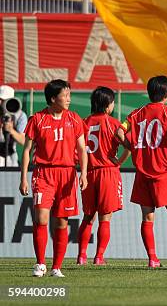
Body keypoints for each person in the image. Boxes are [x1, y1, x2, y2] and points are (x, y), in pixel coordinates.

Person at [116, 76, 167, 268]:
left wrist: (132, 147)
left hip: (143, 172)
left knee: (147, 217)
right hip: (165, 170)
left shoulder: (136, 114)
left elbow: (119, 131)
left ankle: (152, 259)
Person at [19, 79, 88, 278]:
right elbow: (26, 150)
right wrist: (23, 177)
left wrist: (83, 173)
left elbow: (82, 149)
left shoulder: (74, 119)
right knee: (41, 218)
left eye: (69, 95)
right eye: (64, 95)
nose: (68, 99)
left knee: (61, 223)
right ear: (52, 98)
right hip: (43, 173)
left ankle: (56, 267)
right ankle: (40, 263)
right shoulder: (38, 119)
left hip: (67, 174)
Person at [77, 87, 130, 266]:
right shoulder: (114, 123)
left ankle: (81, 256)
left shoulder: (84, 123)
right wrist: (119, 162)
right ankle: (99, 257)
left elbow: (77, 149)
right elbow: (129, 146)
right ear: (108, 105)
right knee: (105, 218)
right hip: (108, 172)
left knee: (87, 216)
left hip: (89, 172)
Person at [0, 85, 28, 167]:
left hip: (11, 156)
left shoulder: (21, 115)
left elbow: (23, 141)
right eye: (0, 100)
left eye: (3, 100)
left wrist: (11, 130)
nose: (1, 103)